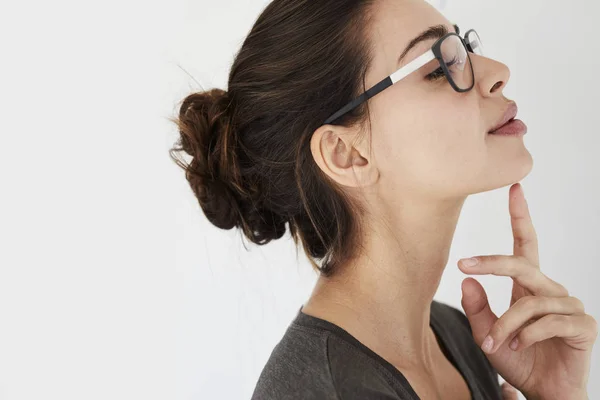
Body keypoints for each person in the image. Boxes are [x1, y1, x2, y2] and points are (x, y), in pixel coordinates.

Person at [169, 0, 597, 398]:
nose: (497, 70)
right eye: (437, 66)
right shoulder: (319, 390)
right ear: (347, 153)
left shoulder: (463, 339)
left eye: (463, 47)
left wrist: (558, 394)